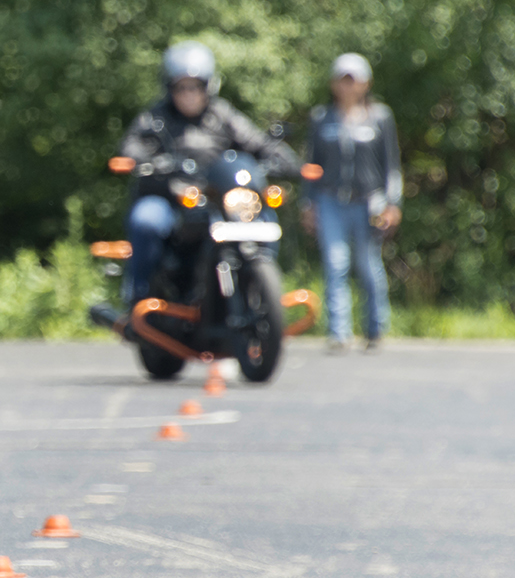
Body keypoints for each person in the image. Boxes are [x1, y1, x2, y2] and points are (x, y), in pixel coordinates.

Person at [115, 41, 298, 306]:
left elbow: (257, 142)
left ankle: (257, 291)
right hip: (170, 198)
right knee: (147, 221)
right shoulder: (155, 118)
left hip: (217, 199)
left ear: (208, 86)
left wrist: (286, 160)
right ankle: (140, 297)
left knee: (263, 219)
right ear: (169, 88)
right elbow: (131, 147)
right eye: (181, 87)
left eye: (196, 86)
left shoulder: (222, 115)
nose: (189, 94)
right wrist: (148, 161)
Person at [300, 53, 400, 352]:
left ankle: (375, 328)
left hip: (368, 202)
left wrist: (392, 203)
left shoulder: (380, 117)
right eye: (342, 81)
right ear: (333, 84)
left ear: (365, 83)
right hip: (330, 200)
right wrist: (308, 203)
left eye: (353, 81)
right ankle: (338, 332)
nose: (348, 87)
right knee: (335, 263)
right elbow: (311, 165)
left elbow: (391, 165)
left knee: (369, 265)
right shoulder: (322, 118)